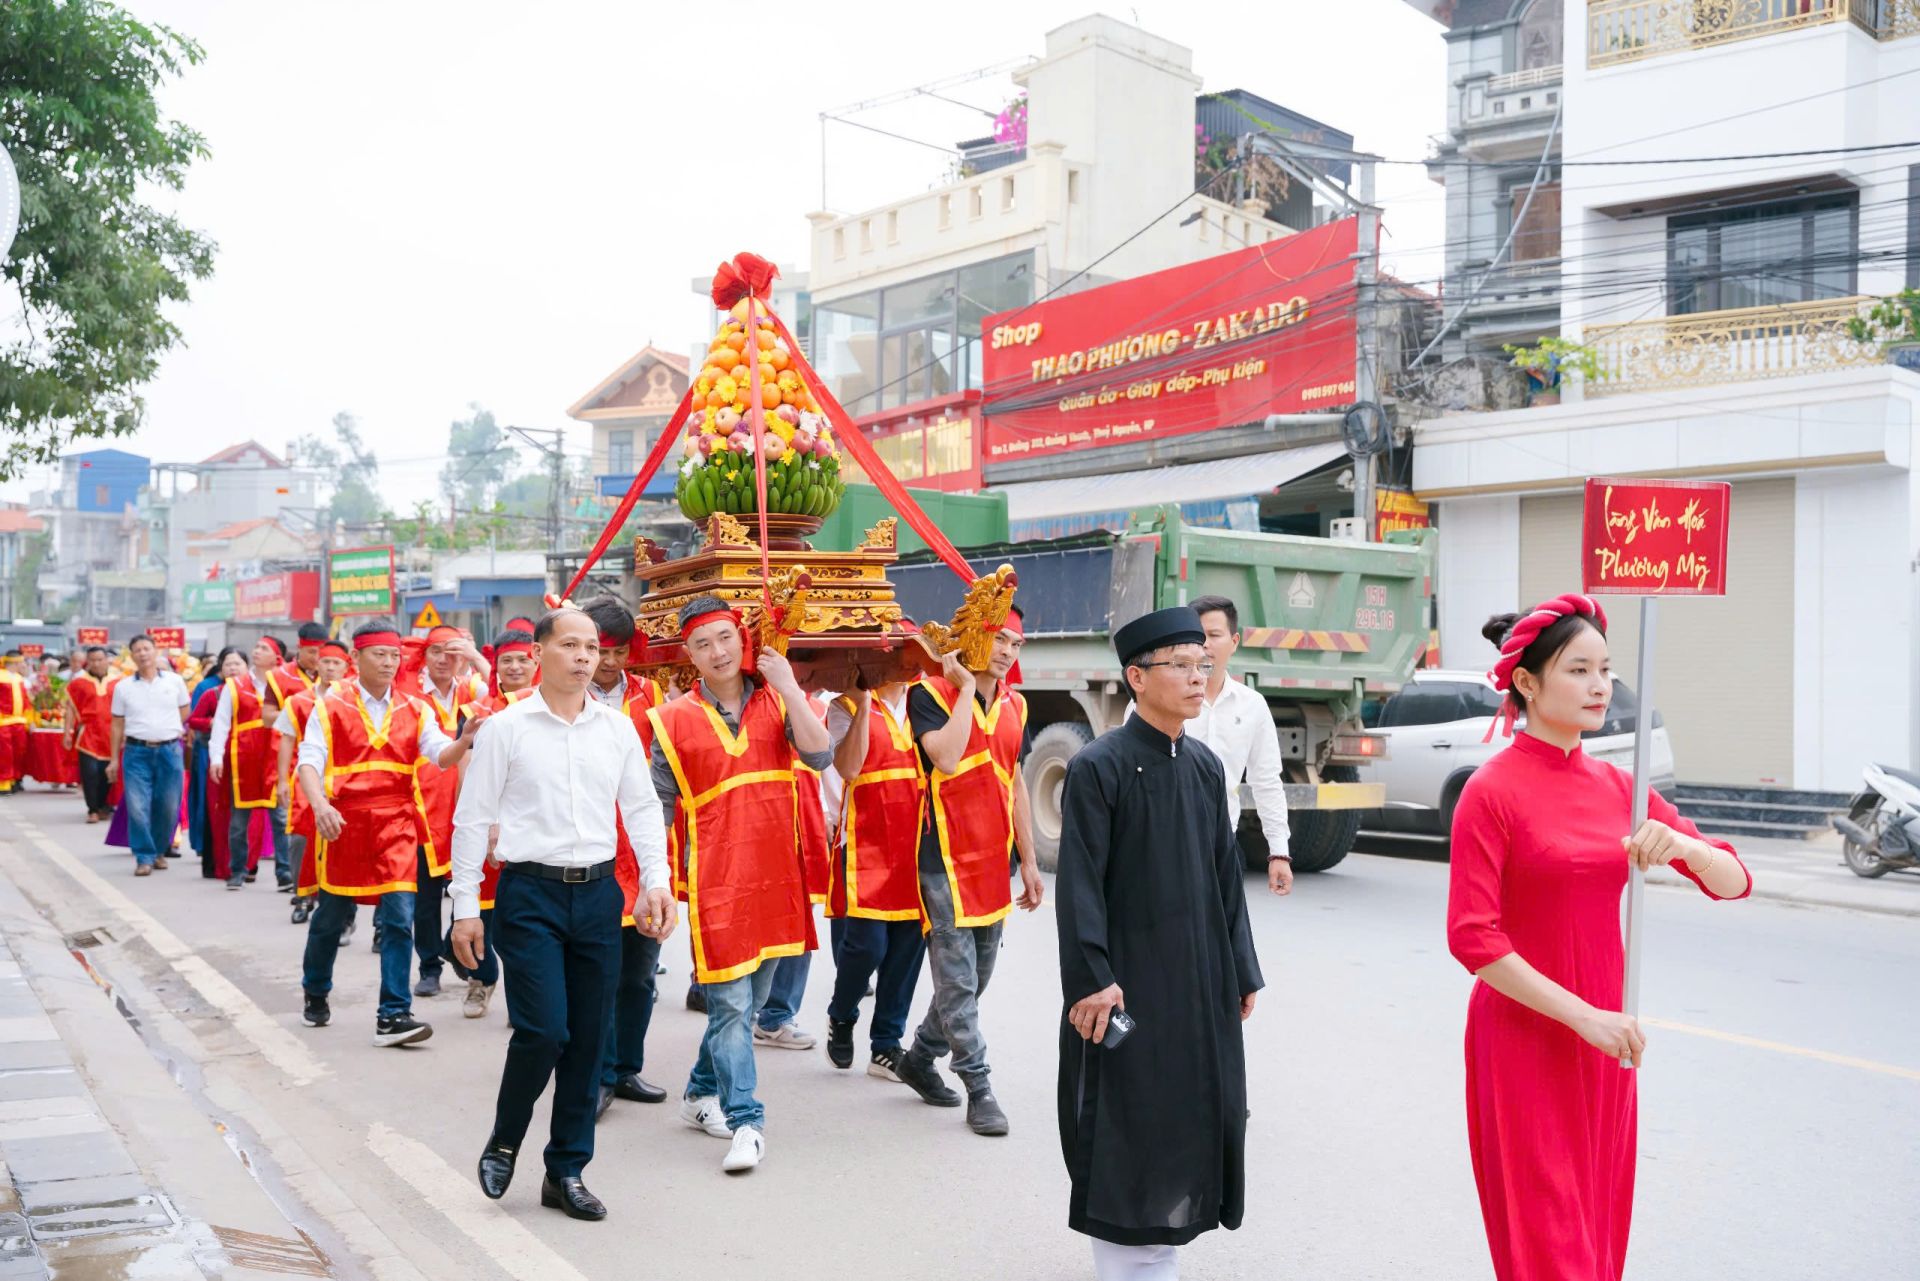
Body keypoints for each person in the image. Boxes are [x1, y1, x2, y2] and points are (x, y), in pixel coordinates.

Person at [1447, 596, 1752, 1281]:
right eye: (1578, 669)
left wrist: (1682, 845)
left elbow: (1733, 881)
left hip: (1608, 1046)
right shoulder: (1490, 791)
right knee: (1552, 1252)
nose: (1599, 685)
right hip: (1527, 1043)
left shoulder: (1624, 785)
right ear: (1527, 682)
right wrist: (1586, 1018)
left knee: (1598, 1241)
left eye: (1606, 669)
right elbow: (1473, 937)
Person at [1055, 606, 1265, 1281]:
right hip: (1126, 982)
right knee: (1127, 1125)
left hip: (1197, 983)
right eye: (1181, 664)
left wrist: (1240, 968)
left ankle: (1159, 1260)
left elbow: (1224, 878)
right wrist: (1092, 976)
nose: (1198, 675)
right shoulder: (1099, 767)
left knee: (1191, 1114)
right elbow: (1080, 882)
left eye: (1203, 663)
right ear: (1137, 677)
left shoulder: (1204, 767)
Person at [453, 607, 674, 1221]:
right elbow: (472, 819)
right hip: (529, 897)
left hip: (600, 896)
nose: (584, 657)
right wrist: (465, 907)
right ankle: (504, 1139)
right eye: (571, 645)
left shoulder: (617, 729)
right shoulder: (506, 728)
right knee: (546, 1029)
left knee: (589, 1040)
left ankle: (566, 1170)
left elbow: (641, 809)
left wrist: (657, 882)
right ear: (540, 653)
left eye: (592, 648)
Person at [648, 595, 831, 1174]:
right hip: (716, 883)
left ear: (742, 639)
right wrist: (652, 883)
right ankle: (746, 1121)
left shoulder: (778, 702)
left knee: (746, 1005)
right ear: (688, 655)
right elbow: (656, 808)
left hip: (778, 875)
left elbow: (821, 756)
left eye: (725, 637)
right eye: (703, 644)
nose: (717, 652)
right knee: (729, 1005)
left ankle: (699, 1093)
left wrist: (790, 685)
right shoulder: (670, 720)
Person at [895, 607, 1044, 1136]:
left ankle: (918, 1057)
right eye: (997, 638)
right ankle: (978, 1084)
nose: (1006, 651)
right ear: (971, 641)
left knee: (976, 978)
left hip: (992, 859)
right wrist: (961, 688)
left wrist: (1028, 860)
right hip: (943, 859)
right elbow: (949, 759)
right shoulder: (928, 695)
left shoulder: (1016, 705)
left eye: (1015, 644)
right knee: (957, 980)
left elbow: (1016, 783)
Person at [297, 621, 479, 1047]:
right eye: (378, 654)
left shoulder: (415, 709)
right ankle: (315, 989)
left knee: (399, 918)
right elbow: (309, 761)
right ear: (355, 659)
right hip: (344, 824)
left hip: (396, 824)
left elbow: (440, 756)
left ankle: (393, 1014)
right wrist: (321, 806)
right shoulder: (330, 706)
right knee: (330, 919)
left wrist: (464, 739)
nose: (387, 662)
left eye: (394, 654)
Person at [575, 597, 672, 1112]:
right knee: (599, 971)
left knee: (639, 969)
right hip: (590, 845)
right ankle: (598, 1073)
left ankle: (626, 1067)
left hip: (642, 844)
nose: (607, 662)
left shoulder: (653, 695)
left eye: (616, 651)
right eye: (599, 650)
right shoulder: (566, 697)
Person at [822, 676, 928, 1082]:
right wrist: (865, 702)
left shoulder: (924, 702)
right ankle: (842, 1013)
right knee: (866, 945)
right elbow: (846, 768)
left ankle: (886, 1044)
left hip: (915, 841)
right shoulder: (843, 706)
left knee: (907, 947)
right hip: (865, 839)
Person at [449, 628, 540, 1018]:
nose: (515, 667)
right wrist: (479, 825)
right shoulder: (476, 713)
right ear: (496, 667)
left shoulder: (552, 709)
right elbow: (464, 770)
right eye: (507, 660)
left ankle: (525, 1005)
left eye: (523, 659)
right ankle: (480, 980)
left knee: (526, 923)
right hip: (488, 825)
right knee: (482, 910)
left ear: (537, 662)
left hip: (533, 830)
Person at [399, 625, 489, 1000]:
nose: (442, 659)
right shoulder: (410, 694)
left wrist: (475, 657)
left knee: (467, 885)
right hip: (420, 803)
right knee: (425, 894)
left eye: (451, 652)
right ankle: (429, 966)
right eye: (435, 651)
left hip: (465, 802)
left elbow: (503, 693)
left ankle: (455, 948)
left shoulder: (472, 690)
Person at [1182, 594, 1294, 895]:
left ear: (1234, 641)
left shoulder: (1252, 706)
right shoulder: (1158, 701)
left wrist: (1279, 852)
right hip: (1165, 846)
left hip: (1222, 846)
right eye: (1197, 636)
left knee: (1224, 940)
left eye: (1214, 635)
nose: (1204, 644)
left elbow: (1267, 781)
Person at [210, 635, 295, 891]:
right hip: (243, 760)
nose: (256, 651)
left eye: (263, 648)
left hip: (276, 757)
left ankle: (284, 872)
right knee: (238, 822)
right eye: (256, 646)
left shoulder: (284, 684)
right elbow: (222, 722)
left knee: (281, 819)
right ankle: (238, 870)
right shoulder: (235, 685)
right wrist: (216, 757)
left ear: (276, 655)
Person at [280, 639, 353, 928]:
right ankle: (302, 896)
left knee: (338, 839)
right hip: (307, 777)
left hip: (344, 779)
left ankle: (340, 907)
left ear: (348, 667)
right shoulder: (298, 701)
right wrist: (282, 780)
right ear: (316, 665)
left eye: (337, 662)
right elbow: (287, 740)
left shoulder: (354, 701)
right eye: (326, 661)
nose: (331, 667)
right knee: (300, 836)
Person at [107, 635, 190, 876]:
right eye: (137, 650)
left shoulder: (174, 682)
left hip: (169, 750)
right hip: (136, 752)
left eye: (146, 649)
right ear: (131, 656)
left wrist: (167, 729)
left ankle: (160, 851)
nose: (143, 654)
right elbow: (116, 724)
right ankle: (144, 856)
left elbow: (184, 710)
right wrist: (113, 758)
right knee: (137, 806)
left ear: (156, 652)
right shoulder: (123, 687)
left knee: (168, 805)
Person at [64, 647, 119, 822]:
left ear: (106, 660)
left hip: (112, 734)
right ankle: (92, 809)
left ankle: (103, 805)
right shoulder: (78, 683)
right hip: (88, 734)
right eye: (92, 660)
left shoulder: (118, 682)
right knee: (89, 773)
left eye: (99, 659)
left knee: (107, 773)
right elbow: (70, 709)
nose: (96, 663)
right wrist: (67, 732)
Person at [0, 655, 29, 796]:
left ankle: (15, 779)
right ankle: (3, 783)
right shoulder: (1, 676)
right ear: (15, 663)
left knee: (19, 753)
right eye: (21, 663)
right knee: (5, 754)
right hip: (3, 722)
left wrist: (29, 719)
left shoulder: (19, 678)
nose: (23, 665)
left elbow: (25, 699)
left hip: (19, 721)